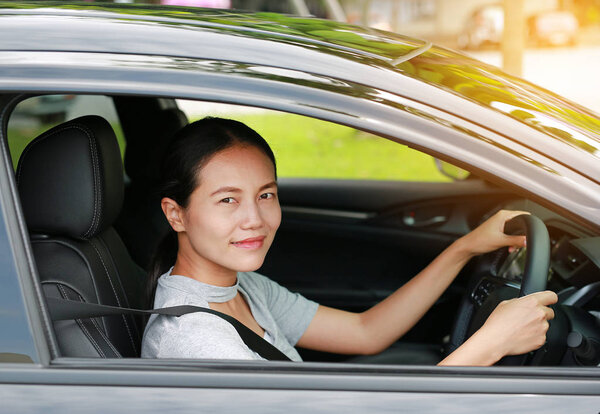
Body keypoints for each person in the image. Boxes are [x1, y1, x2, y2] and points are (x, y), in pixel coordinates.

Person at [141, 117, 557, 365]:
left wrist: (463, 248)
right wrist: (490, 345)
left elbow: (364, 332)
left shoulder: (241, 288)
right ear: (175, 213)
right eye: (228, 200)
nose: (255, 219)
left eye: (265, 195)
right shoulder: (196, 339)